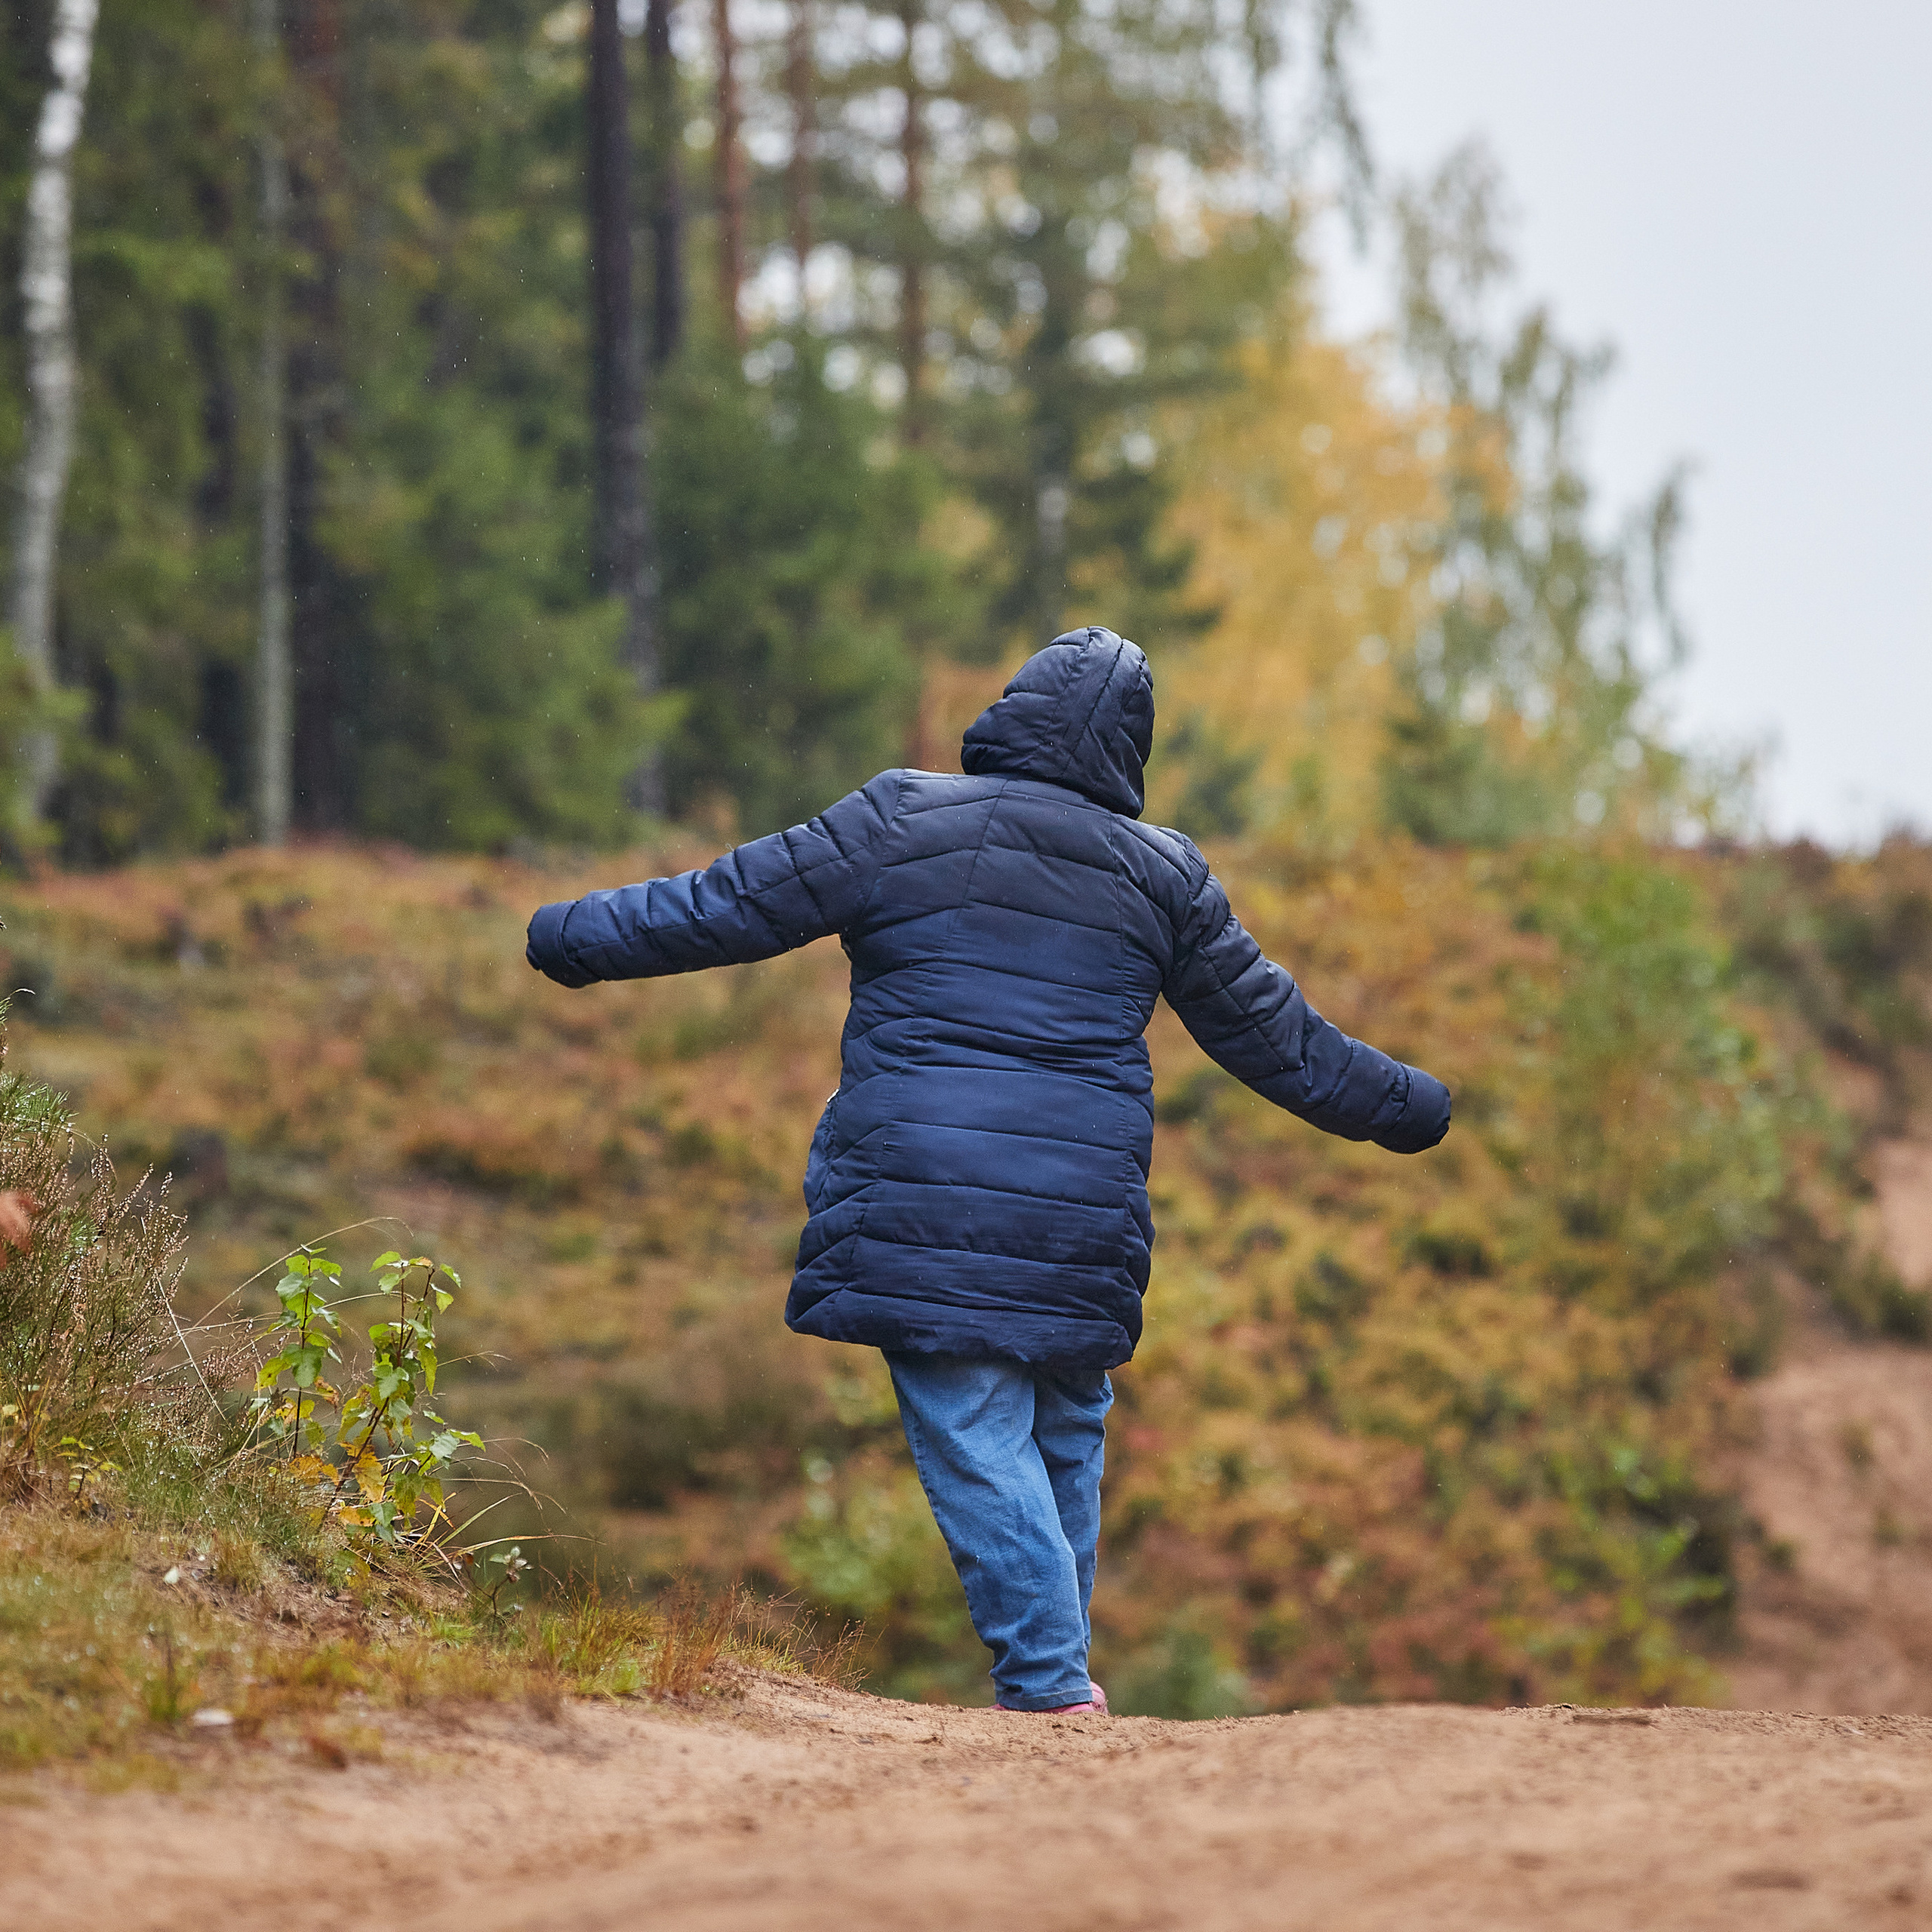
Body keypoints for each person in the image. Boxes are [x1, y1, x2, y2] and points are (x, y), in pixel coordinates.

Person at [526, 626, 1451, 1714]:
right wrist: (1409, 1105)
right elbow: (1283, 1043)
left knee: (977, 1440)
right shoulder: (1165, 876)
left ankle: (1053, 1694)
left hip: (924, 1201)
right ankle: (1058, 1696)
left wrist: (568, 934)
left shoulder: (901, 817)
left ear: (1015, 709)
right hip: (1083, 1220)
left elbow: (724, 903)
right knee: (1061, 1429)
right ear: (1128, 751)